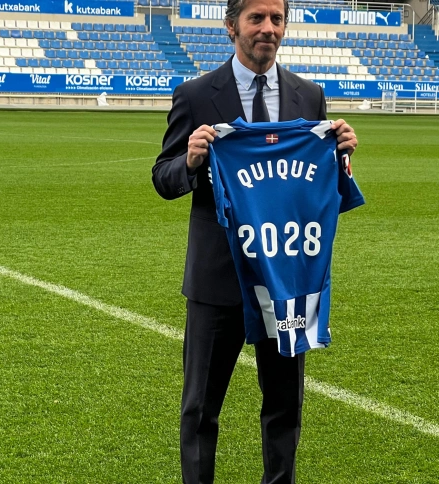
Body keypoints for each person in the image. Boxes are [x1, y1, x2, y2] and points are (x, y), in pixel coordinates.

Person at [152, 0, 358, 481]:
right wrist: (190, 161)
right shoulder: (195, 94)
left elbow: (316, 185)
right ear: (231, 27)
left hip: (287, 279)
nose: (268, 28)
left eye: (276, 19)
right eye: (256, 18)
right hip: (218, 278)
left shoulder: (309, 96)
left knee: (285, 405)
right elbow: (163, 178)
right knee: (200, 407)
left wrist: (341, 155)